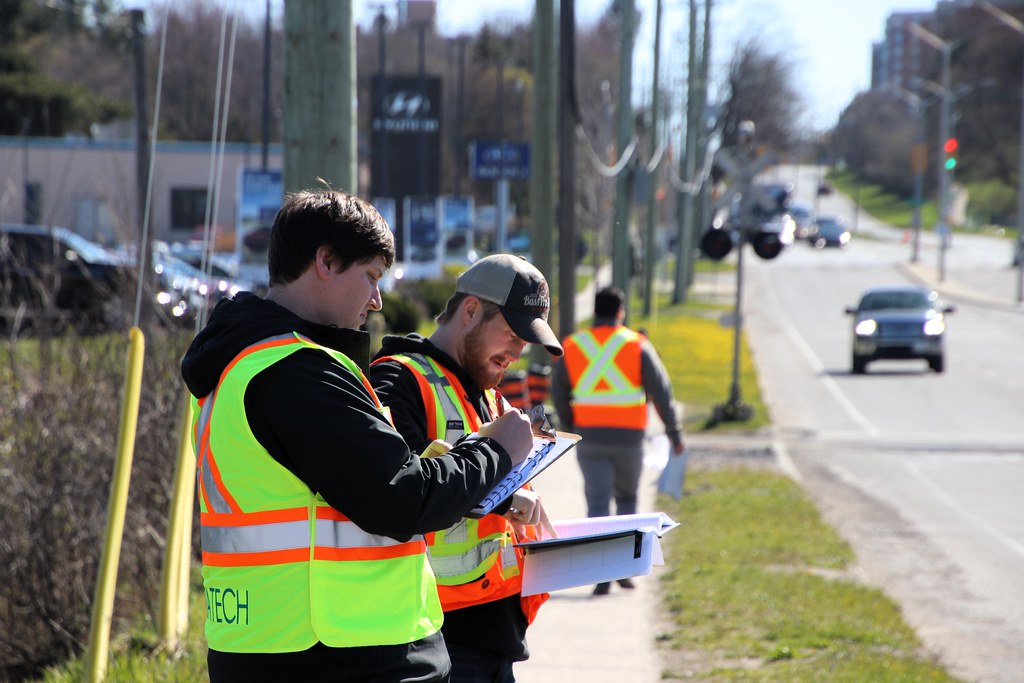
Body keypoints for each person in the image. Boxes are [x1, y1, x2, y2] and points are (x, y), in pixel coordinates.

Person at [180, 189, 535, 683]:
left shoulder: (247, 366)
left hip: (284, 646)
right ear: (325, 260)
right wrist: (498, 450)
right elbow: (402, 497)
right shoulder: (295, 374)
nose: (377, 299)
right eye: (370, 276)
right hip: (337, 654)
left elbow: (361, 484)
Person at [370, 253, 563, 683]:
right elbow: (404, 492)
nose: (516, 352)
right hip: (438, 641)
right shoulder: (398, 381)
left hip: (494, 640)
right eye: (511, 334)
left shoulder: (486, 394)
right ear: (471, 310)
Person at [550, 285, 685, 596]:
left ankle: (602, 576)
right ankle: (626, 570)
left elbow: (557, 392)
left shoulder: (573, 345)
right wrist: (674, 433)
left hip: (591, 438)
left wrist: (571, 426)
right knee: (627, 504)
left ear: (595, 312)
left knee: (597, 506)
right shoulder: (637, 345)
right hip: (629, 439)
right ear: (620, 312)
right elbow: (662, 392)